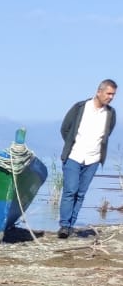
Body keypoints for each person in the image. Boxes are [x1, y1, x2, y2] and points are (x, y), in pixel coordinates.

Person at [58, 79, 117, 236]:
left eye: (113, 94)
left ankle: (71, 226)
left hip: (93, 160)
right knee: (70, 191)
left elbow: (107, 134)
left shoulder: (110, 114)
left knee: (81, 193)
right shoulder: (80, 108)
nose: (111, 97)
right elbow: (65, 128)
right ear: (99, 92)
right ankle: (64, 225)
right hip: (74, 156)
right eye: (108, 93)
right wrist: (72, 144)